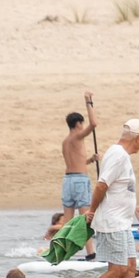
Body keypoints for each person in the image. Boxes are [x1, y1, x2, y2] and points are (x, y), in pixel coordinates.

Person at [72, 119, 139, 278]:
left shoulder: (122, 156)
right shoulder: (118, 155)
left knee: (131, 267)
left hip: (123, 222)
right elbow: (101, 184)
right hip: (113, 221)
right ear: (138, 138)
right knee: (118, 269)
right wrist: (92, 210)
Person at [59, 92, 97, 228]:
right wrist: (88, 103)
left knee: (67, 223)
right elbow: (93, 124)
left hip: (67, 181)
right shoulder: (77, 137)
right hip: (80, 180)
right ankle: (91, 250)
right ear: (78, 124)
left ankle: (64, 248)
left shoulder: (65, 142)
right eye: (82, 123)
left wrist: (91, 160)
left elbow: (75, 163)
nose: (83, 125)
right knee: (84, 218)